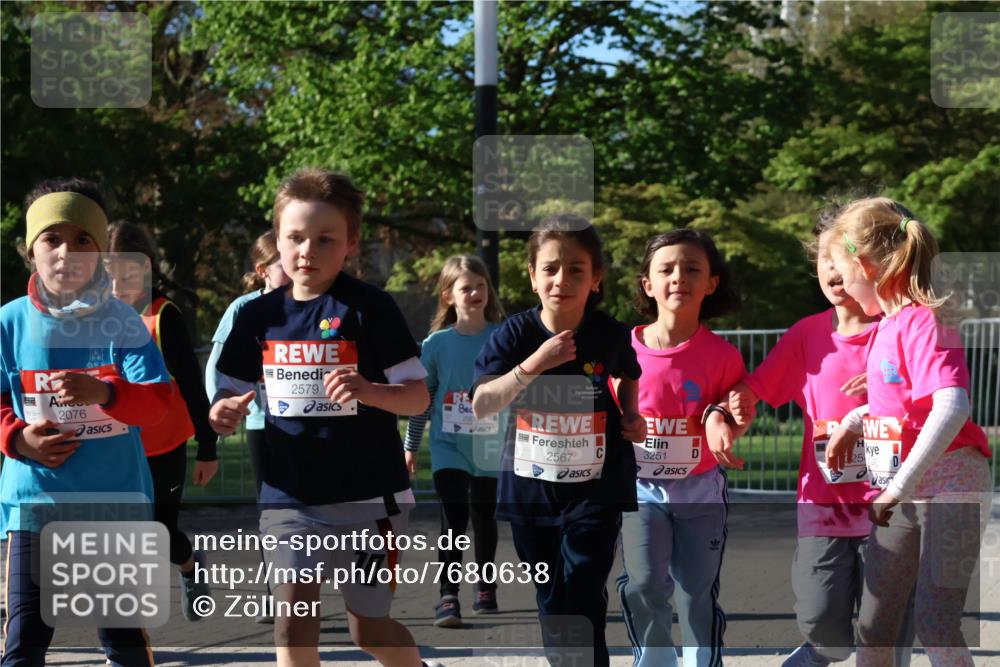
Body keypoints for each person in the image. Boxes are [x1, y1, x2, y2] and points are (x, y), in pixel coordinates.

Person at [208, 168, 437, 667]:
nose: (307, 250)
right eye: (295, 237)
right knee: (292, 615)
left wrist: (372, 390)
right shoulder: (257, 316)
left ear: (350, 243)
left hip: (369, 496)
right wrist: (222, 410)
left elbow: (417, 397)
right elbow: (231, 390)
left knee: (368, 629)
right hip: (289, 496)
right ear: (278, 240)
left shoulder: (370, 309)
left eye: (324, 238)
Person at [730, 209, 914, 666]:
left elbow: (934, 400)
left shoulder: (903, 330)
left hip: (890, 507)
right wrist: (724, 412)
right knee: (820, 618)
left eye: (843, 257)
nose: (833, 270)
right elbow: (753, 390)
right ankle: (817, 654)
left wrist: (887, 391)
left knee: (885, 632)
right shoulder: (806, 336)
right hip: (824, 508)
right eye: (824, 259)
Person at [1, 177, 172, 666]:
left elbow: (158, 400)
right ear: (30, 251)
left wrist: (107, 392)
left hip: (112, 502)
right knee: (24, 643)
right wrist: (17, 437)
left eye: (82, 240)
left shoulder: (123, 321)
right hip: (34, 504)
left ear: (101, 255)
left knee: (122, 643)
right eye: (51, 238)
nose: (66, 252)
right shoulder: (9, 322)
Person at [472, 215, 646, 667]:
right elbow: (482, 403)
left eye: (575, 269)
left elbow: (630, 376)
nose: (561, 280)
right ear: (532, 277)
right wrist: (534, 364)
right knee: (552, 597)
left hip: (597, 486)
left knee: (585, 587)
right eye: (549, 268)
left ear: (596, 278)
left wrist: (631, 413)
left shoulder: (609, 332)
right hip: (532, 491)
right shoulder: (515, 334)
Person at [825, 197, 992, 666]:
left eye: (840, 270)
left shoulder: (924, 319)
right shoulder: (887, 327)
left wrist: (897, 487)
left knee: (936, 623)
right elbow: (898, 408)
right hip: (904, 492)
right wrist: (853, 422)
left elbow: (951, 404)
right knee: (875, 622)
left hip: (952, 484)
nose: (838, 282)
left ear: (864, 264)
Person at [616, 229, 748, 667]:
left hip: (701, 492)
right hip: (639, 492)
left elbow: (735, 416)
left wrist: (723, 422)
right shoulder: (621, 350)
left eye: (692, 269)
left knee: (695, 593)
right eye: (666, 269)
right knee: (644, 583)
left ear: (711, 283)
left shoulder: (724, 355)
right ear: (647, 284)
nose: (679, 277)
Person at [105, 220, 219, 622]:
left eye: (129, 275)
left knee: (158, 533)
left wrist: (208, 446)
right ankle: (127, 629)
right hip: (114, 445)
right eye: (110, 276)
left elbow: (190, 383)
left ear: (148, 267)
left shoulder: (162, 315)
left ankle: (190, 565)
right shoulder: (90, 317)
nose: (120, 286)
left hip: (163, 444)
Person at [403, 255, 505, 626]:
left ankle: (486, 585)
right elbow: (421, 399)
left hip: (491, 445)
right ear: (449, 296)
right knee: (453, 516)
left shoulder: (502, 336)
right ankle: (448, 595)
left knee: (484, 516)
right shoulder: (436, 344)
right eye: (466, 287)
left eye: (481, 286)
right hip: (449, 444)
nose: (475, 293)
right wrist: (410, 447)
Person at [205, 229, 289, 502]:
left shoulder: (314, 305)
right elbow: (216, 369)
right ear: (263, 270)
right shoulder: (244, 308)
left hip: (308, 421)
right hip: (261, 422)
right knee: (273, 506)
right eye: (283, 262)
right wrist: (219, 411)